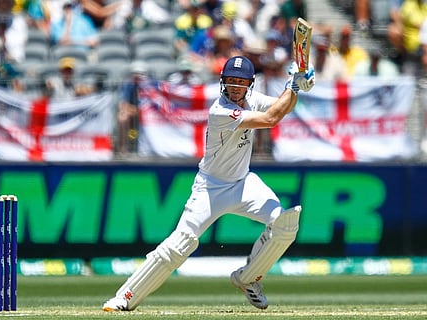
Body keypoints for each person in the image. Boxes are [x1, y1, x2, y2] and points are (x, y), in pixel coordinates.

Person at [102, 55, 315, 312]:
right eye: (231, 81)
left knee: (285, 225)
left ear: (250, 83)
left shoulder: (252, 99)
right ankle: (124, 298)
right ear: (222, 82)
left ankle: (247, 279)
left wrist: (299, 85)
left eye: (241, 82)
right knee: (179, 244)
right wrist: (292, 85)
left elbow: (283, 106)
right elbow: (271, 118)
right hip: (210, 188)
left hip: (244, 183)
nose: (236, 86)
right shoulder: (220, 111)